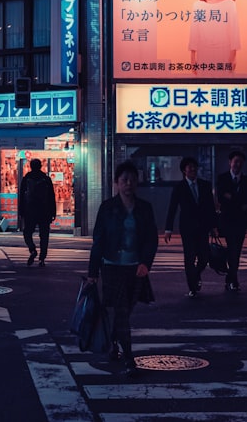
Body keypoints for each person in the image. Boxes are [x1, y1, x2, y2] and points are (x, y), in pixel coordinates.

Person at [88, 160, 158, 377]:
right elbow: (98, 240)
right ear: (117, 183)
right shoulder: (108, 208)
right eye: (124, 180)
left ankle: (115, 342)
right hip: (112, 267)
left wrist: (146, 263)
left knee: (126, 311)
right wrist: (92, 273)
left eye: (133, 180)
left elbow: (151, 239)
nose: (129, 184)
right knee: (121, 312)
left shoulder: (145, 208)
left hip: (135, 268)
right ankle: (129, 358)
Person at [164, 156, 217, 298]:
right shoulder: (179, 187)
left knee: (204, 257)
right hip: (187, 227)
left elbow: (210, 207)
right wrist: (168, 229)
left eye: (194, 166)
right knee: (189, 256)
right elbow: (172, 208)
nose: (192, 169)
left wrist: (214, 226)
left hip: (203, 226)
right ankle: (192, 287)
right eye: (189, 167)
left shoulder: (205, 185)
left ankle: (196, 275)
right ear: (184, 170)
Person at [188, 0, 241, 71]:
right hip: (203, 52)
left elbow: (234, 33)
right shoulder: (198, 5)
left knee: (224, 84)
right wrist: (193, 59)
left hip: (224, 52)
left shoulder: (230, 4)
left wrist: (233, 57)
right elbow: (194, 33)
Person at [215, 150, 247, 292]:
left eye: (240, 161)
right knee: (232, 248)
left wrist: (231, 198)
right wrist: (238, 201)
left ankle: (231, 278)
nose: (237, 164)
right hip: (227, 220)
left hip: (241, 221)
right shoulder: (222, 178)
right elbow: (220, 197)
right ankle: (233, 280)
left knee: (237, 250)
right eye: (235, 161)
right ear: (230, 162)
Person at [19, 159, 57, 267]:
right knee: (44, 235)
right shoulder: (46, 179)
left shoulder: (27, 178)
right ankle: (42, 259)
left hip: (30, 210)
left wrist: (21, 211)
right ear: (40, 166)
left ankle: (32, 249)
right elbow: (51, 197)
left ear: (30, 166)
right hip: (44, 211)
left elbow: (22, 196)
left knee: (27, 232)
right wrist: (53, 212)